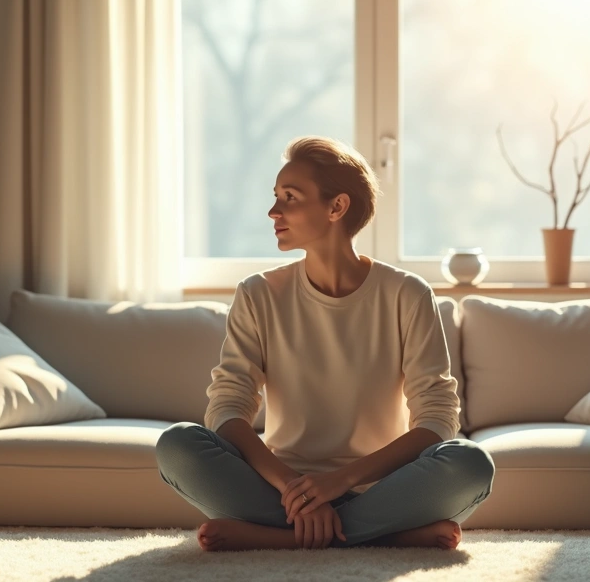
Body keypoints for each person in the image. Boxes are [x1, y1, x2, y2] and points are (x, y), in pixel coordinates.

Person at [155, 136, 495, 551]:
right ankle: (383, 537)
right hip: (282, 490)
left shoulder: (407, 293)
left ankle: (277, 537)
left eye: (290, 197)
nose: (273, 211)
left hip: (384, 490)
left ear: (336, 207)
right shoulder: (258, 294)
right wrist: (294, 487)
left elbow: (437, 418)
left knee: (471, 464)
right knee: (178, 445)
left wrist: (339, 482)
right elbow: (227, 406)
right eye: (276, 196)